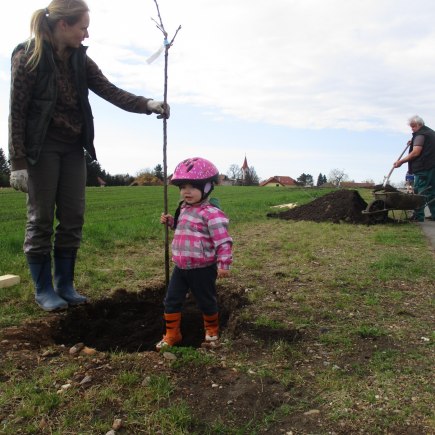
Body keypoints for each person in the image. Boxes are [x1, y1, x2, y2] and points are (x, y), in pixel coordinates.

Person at [8, 0, 170, 312]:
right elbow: (17, 111)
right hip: (40, 150)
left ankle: (65, 285)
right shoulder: (26, 55)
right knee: (40, 220)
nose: (86, 33)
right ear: (63, 25)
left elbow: (110, 91)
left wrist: (146, 104)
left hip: (73, 148)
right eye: (82, 27)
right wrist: (17, 163)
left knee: (73, 218)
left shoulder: (81, 60)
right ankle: (44, 290)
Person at [157, 157, 233, 350]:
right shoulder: (182, 209)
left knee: (206, 300)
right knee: (171, 300)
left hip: (203, 268)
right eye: (183, 187)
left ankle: (212, 330)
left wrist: (224, 264)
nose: (186, 191)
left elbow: (223, 241)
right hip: (180, 267)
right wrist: (171, 223)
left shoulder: (211, 214)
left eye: (192, 186)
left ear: (207, 187)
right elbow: (187, 231)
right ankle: (172, 334)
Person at [393, 116, 435, 222]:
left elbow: (416, 152)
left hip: (424, 168)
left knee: (419, 191)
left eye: (413, 127)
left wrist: (401, 162)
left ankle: (418, 216)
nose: (412, 129)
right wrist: (413, 142)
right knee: (431, 191)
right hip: (432, 167)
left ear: (419, 125)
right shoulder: (431, 133)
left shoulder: (420, 134)